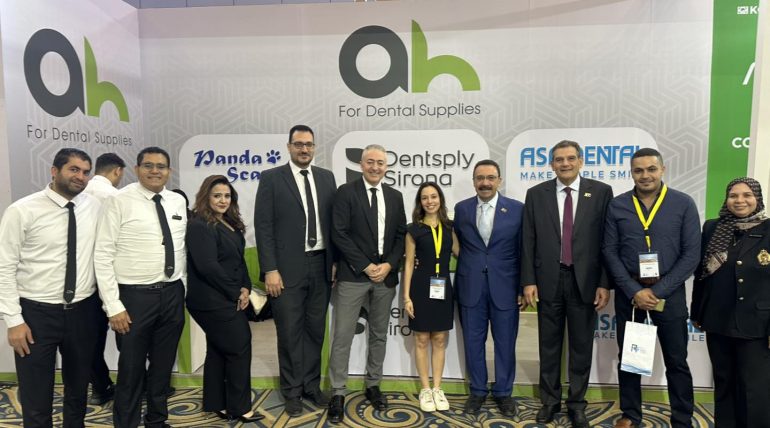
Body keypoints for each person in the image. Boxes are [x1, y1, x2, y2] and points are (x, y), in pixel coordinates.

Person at [0, 148, 102, 427]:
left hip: (83, 312)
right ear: (54, 171)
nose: (80, 177)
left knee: (78, 390)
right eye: (74, 169)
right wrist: (13, 320)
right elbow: (4, 267)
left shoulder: (93, 206)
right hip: (36, 315)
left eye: (85, 172)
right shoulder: (22, 210)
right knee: (36, 395)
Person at [603, 148, 700, 428]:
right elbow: (609, 251)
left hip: (669, 293)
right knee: (630, 358)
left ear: (662, 170)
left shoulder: (683, 203)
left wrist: (657, 292)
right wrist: (634, 290)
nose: (645, 175)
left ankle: (682, 418)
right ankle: (631, 414)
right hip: (630, 294)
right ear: (631, 173)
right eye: (638, 170)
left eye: (651, 169)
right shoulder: (618, 205)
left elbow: (691, 254)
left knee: (676, 360)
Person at [520, 140, 613, 427]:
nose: (565, 164)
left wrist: (604, 282)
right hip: (548, 279)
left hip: (585, 281)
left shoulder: (601, 192)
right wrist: (528, 280)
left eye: (571, 158)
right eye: (559, 159)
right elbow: (528, 240)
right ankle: (549, 402)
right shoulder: (536, 194)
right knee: (548, 345)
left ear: (581, 161)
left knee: (581, 346)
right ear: (552, 164)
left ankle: (577, 404)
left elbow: (608, 241)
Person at [95, 147, 187, 428]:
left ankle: (157, 421)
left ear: (169, 171)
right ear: (136, 169)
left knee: (162, 367)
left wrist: (182, 288)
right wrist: (113, 306)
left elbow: (181, 249)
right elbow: (102, 254)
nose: (155, 171)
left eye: (161, 166)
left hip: (172, 294)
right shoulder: (118, 201)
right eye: (148, 165)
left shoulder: (176, 201)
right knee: (131, 370)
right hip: (134, 298)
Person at [254, 124, 337, 416]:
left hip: (321, 265)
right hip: (285, 270)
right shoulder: (271, 178)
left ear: (314, 147)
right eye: (299, 144)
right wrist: (270, 269)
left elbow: (333, 224)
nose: (304, 149)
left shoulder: (326, 178)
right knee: (289, 333)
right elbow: (263, 226)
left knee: (315, 331)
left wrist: (335, 262)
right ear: (289, 147)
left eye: (309, 144)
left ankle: (311, 386)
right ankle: (291, 391)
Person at [327, 144, 406, 424]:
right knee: (342, 336)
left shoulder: (395, 196)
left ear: (386, 166)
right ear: (361, 165)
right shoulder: (346, 192)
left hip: (385, 277)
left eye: (380, 163)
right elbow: (339, 233)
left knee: (379, 335)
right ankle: (338, 392)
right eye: (370, 162)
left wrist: (388, 265)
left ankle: (373, 385)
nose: (375, 167)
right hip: (353, 276)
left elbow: (401, 236)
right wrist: (365, 265)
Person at [690, 177, 770, 428]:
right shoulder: (713, 228)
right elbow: (701, 274)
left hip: (757, 324)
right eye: (733, 195)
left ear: (757, 199)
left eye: (747, 195)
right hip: (718, 320)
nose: (740, 200)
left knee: (753, 387)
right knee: (723, 382)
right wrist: (697, 312)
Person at [187, 175, 263, 423]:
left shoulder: (231, 223)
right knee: (239, 346)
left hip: (228, 295)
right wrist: (235, 292)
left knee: (218, 349)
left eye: (227, 196)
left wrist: (245, 288)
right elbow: (208, 266)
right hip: (209, 300)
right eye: (217, 195)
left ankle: (216, 403)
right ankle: (240, 407)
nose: (222, 200)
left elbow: (238, 261)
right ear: (206, 197)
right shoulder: (199, 225)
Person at [453, 159, 524, 417]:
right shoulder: (461, 209)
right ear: (474, 181)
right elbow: (454, 242)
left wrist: (523, 286)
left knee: (505, 342)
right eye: (480, 178)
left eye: (490, 178)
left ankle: (504, 392)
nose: (485, 183)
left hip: (506, 286)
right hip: (470, 286)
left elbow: (524, 250)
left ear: (499, 181)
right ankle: (478, 390)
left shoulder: (517, 209)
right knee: (473, 342)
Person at [402, 182, 460, 412]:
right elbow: (408, 264)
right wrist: (406, 297)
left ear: (440, 199)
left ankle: (437, 388)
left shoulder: (450, 227)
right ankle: (425, 390)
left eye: (434, 196)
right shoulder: (413, 230)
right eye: (425, 198)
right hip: (420, 287)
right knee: (421, 339)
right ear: (420, 202)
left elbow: (461, 252)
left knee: (439, 339)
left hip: (443, 287)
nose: (430, 201)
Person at [83, 152, 126, 406]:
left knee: (91, 339)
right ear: (118, 171)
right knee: (125, 335)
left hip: (83, 280)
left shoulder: (81, 194)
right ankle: (133, 383)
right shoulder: (115, 197)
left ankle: (100, 386)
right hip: (109, 277)